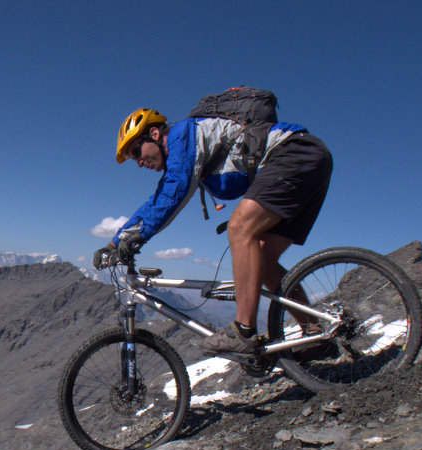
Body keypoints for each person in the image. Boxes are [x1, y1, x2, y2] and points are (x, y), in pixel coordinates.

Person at [93, 104, 332, 358]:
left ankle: (243, 332)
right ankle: (315, 334)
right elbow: (156, 200)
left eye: (136, 152)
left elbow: (172, 194)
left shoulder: (182, 135)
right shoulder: (183, 154)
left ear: (153, 134)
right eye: (133, 159)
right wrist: (114, 242)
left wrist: (140, 236)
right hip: (309, 160)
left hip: (292, 155)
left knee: (241, 228)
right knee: (263, 261)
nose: (139, 162)